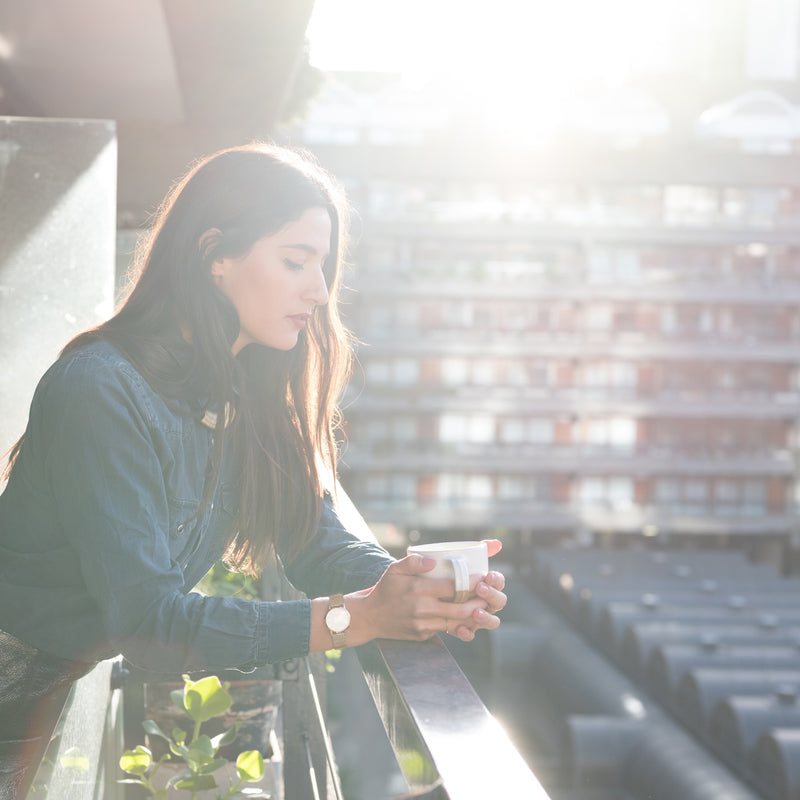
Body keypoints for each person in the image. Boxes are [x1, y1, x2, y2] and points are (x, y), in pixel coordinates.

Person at [0, 142, 507, 797]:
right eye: (295, 261)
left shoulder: (244, 390)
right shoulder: (99, 392)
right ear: (215, 256)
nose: (319, 292)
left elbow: (312, 536)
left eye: (322, 267)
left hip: (42, 694)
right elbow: (153, 626)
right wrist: (359, 617)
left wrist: (413, 591)